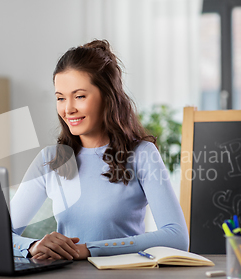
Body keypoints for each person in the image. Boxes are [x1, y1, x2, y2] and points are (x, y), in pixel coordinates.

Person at [10, 39, 188, 260]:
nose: (68, 109)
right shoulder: (51, 158)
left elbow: (176, 237)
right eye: (60, 98)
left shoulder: (142, 154)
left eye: (80, 96)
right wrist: (33, 246)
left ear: (108, 97)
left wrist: (88, 249)